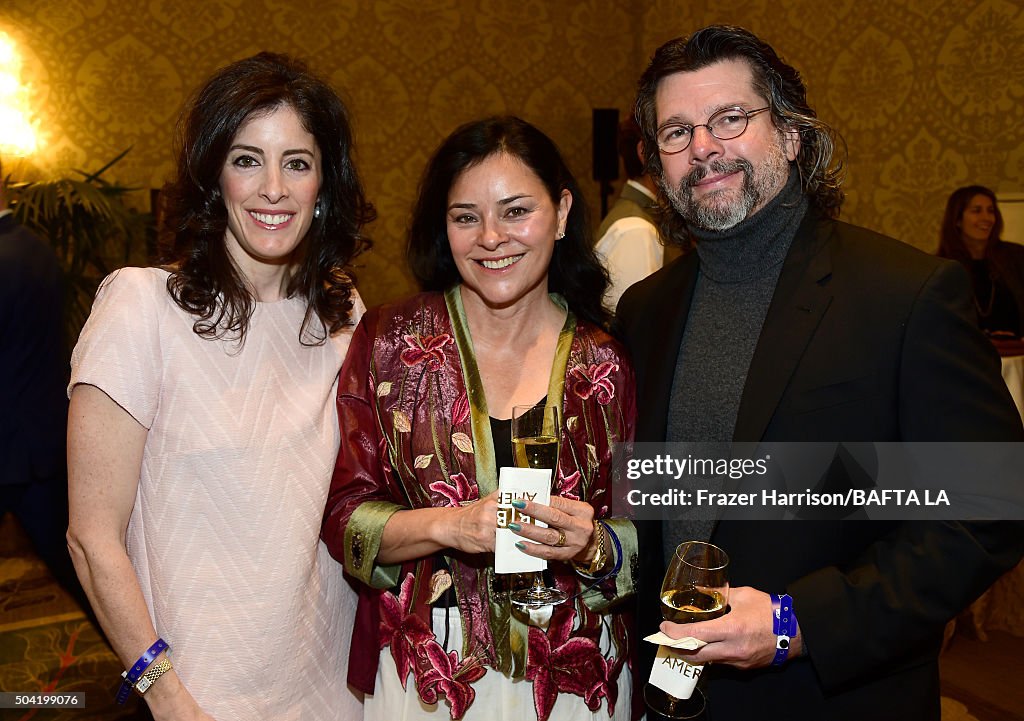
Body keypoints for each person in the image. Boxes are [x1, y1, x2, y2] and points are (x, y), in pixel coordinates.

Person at [615, 25, 1024, 720]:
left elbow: (988, 510)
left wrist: (794, 622)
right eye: (677, 132)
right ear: (658, 162)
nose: (704, 147)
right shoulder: (645, 309)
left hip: (833, 696)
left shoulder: (907, 295)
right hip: (672, 698)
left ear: (794, 135)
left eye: (730, 119)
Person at [66, 52, 372, 720]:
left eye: (297, 161)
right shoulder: (142, 307)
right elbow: (92, 540)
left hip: (334, 686)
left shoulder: (342, 311)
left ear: (324, 182)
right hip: (199, 692)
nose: (273, 188)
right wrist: (168, 697)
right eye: (246, 159)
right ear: (213, 177)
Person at [322, 116, 638, 721]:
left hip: (578, 676)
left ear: (562, 211)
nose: (491, 237)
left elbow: (648, 534)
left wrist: (593, 543)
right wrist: (452, 525)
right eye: (466, 217)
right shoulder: (391, 342)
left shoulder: (607, 361)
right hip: (429, 676)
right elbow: (343, 519)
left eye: (516, 211)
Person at [0, 160, 83, 604]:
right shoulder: (35, 246)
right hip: (44, 442)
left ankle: (150, 672)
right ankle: (147, 672)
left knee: (91, 580)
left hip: (13, 452)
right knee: (88, 577)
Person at [594, 117, 665, 311]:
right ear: (644, 153)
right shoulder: (636, 230)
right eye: (670, 138)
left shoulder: (636, 219)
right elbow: (632, 328)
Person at [938, 185, 1024, 337]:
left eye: (991, 211)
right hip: (967, 356)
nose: (986, 218)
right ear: (957, 219)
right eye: (976, 211)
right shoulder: (942, 266)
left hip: (1016, 354)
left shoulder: (1017, 256)